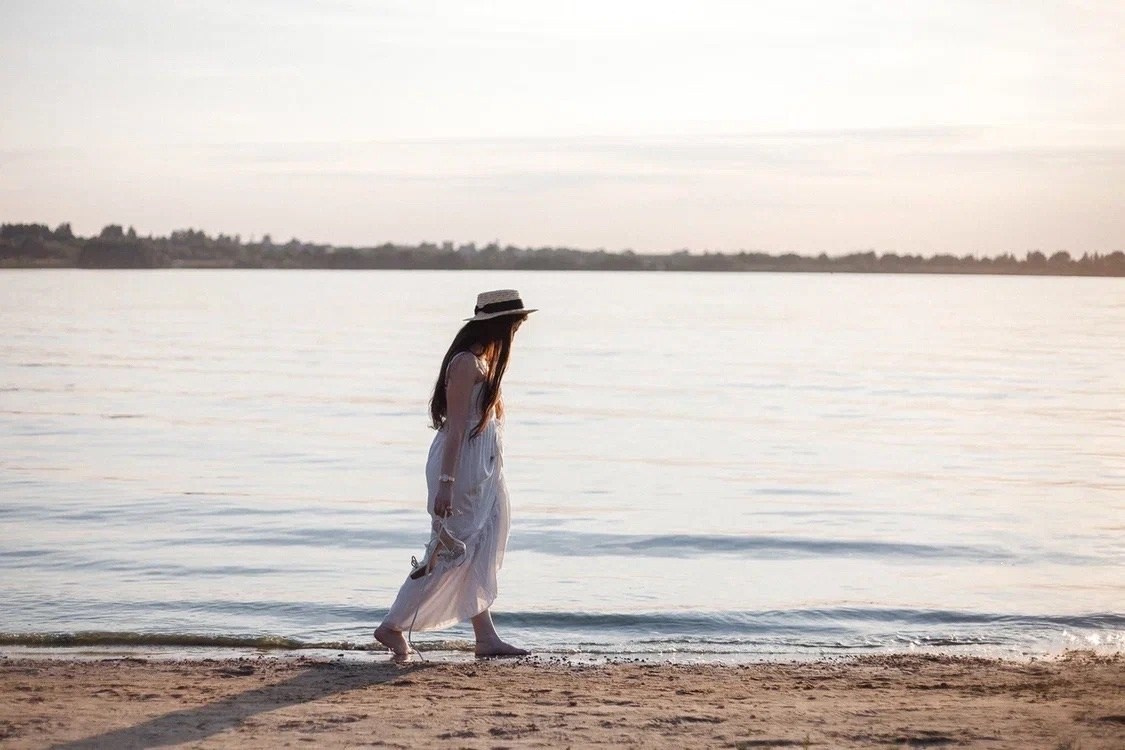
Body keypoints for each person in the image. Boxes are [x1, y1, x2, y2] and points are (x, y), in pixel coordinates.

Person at [374, 289, 536, 658]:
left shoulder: (484, 363)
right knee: (448, 551)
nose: (517, 333)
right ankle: (391, 626)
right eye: (515, 325)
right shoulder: (465, 364)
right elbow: (457, 429)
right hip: (460, 469)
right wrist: (445, 486)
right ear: (499, 325)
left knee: (478, 548)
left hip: (482, 471)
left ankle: (485, 637)